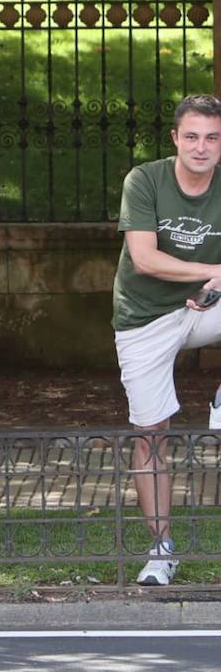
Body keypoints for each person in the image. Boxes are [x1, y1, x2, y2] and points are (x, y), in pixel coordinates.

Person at [111, 93, 221, 586]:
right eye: (192, 136)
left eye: (212, 138)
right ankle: (161, 551)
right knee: (152, 432)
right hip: (145, 316)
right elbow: (145, 259)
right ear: (175, 138)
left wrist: (214, 285)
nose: (201, 147)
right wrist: (213, 271)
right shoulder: (145, 179)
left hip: (207, 305)